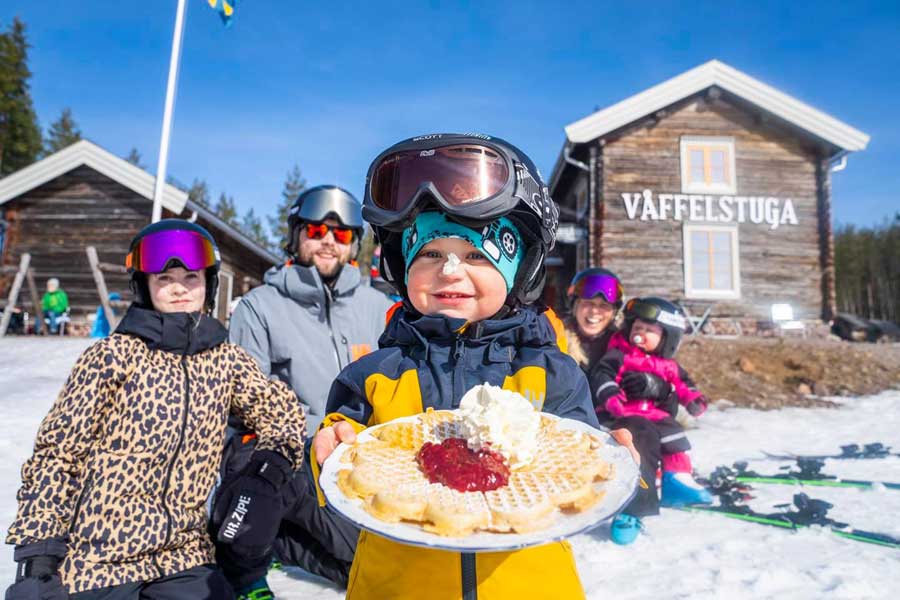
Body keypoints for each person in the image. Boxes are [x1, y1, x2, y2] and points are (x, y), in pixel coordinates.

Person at [310, 133, 639, 600]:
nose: (448, 271)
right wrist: (328, 442)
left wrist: (614, 457)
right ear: (402, 266)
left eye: (476, 255)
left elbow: (582, 467)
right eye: (428, 253)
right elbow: (344, 457)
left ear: (519, 269)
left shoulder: (552, 372)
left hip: (529, 583)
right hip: (396, 585)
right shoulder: (377, 371)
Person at [5, 219, 307, 600]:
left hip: (184, 558)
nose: (179, 287)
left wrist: (266, 473)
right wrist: (39, 561)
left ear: (208, 283)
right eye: (165, 279)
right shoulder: (112, 357)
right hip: (98, 560)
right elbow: (58, 456)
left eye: (191, 277)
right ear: (144, 286)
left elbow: (282, 414)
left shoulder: (226, 360)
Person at [217, 185, 392, 597]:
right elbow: (243, 402)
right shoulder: (259, 307)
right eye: (316, 230)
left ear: (353, 245)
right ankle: (258, 539)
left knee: (383, 557)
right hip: (288, 451)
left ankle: (283, 537)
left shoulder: (376, 308)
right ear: (296, 235)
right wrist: (312, 441)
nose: (328, 241)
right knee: (361, 545)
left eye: (342, 234)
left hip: (359, 454)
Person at [590, 296, 713, 544]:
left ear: (667, 338)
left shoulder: (669, 366)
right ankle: (630, 509)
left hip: (657, 416)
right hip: (625, 414)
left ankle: (676, 480)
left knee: (676, 442)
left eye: (648, 330)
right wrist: (612, 398)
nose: (640, 334)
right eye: (637, 328)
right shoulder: (620, 355)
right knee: (637, 444)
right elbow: (603, 375)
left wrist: (694, 400)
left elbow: (684, 385)